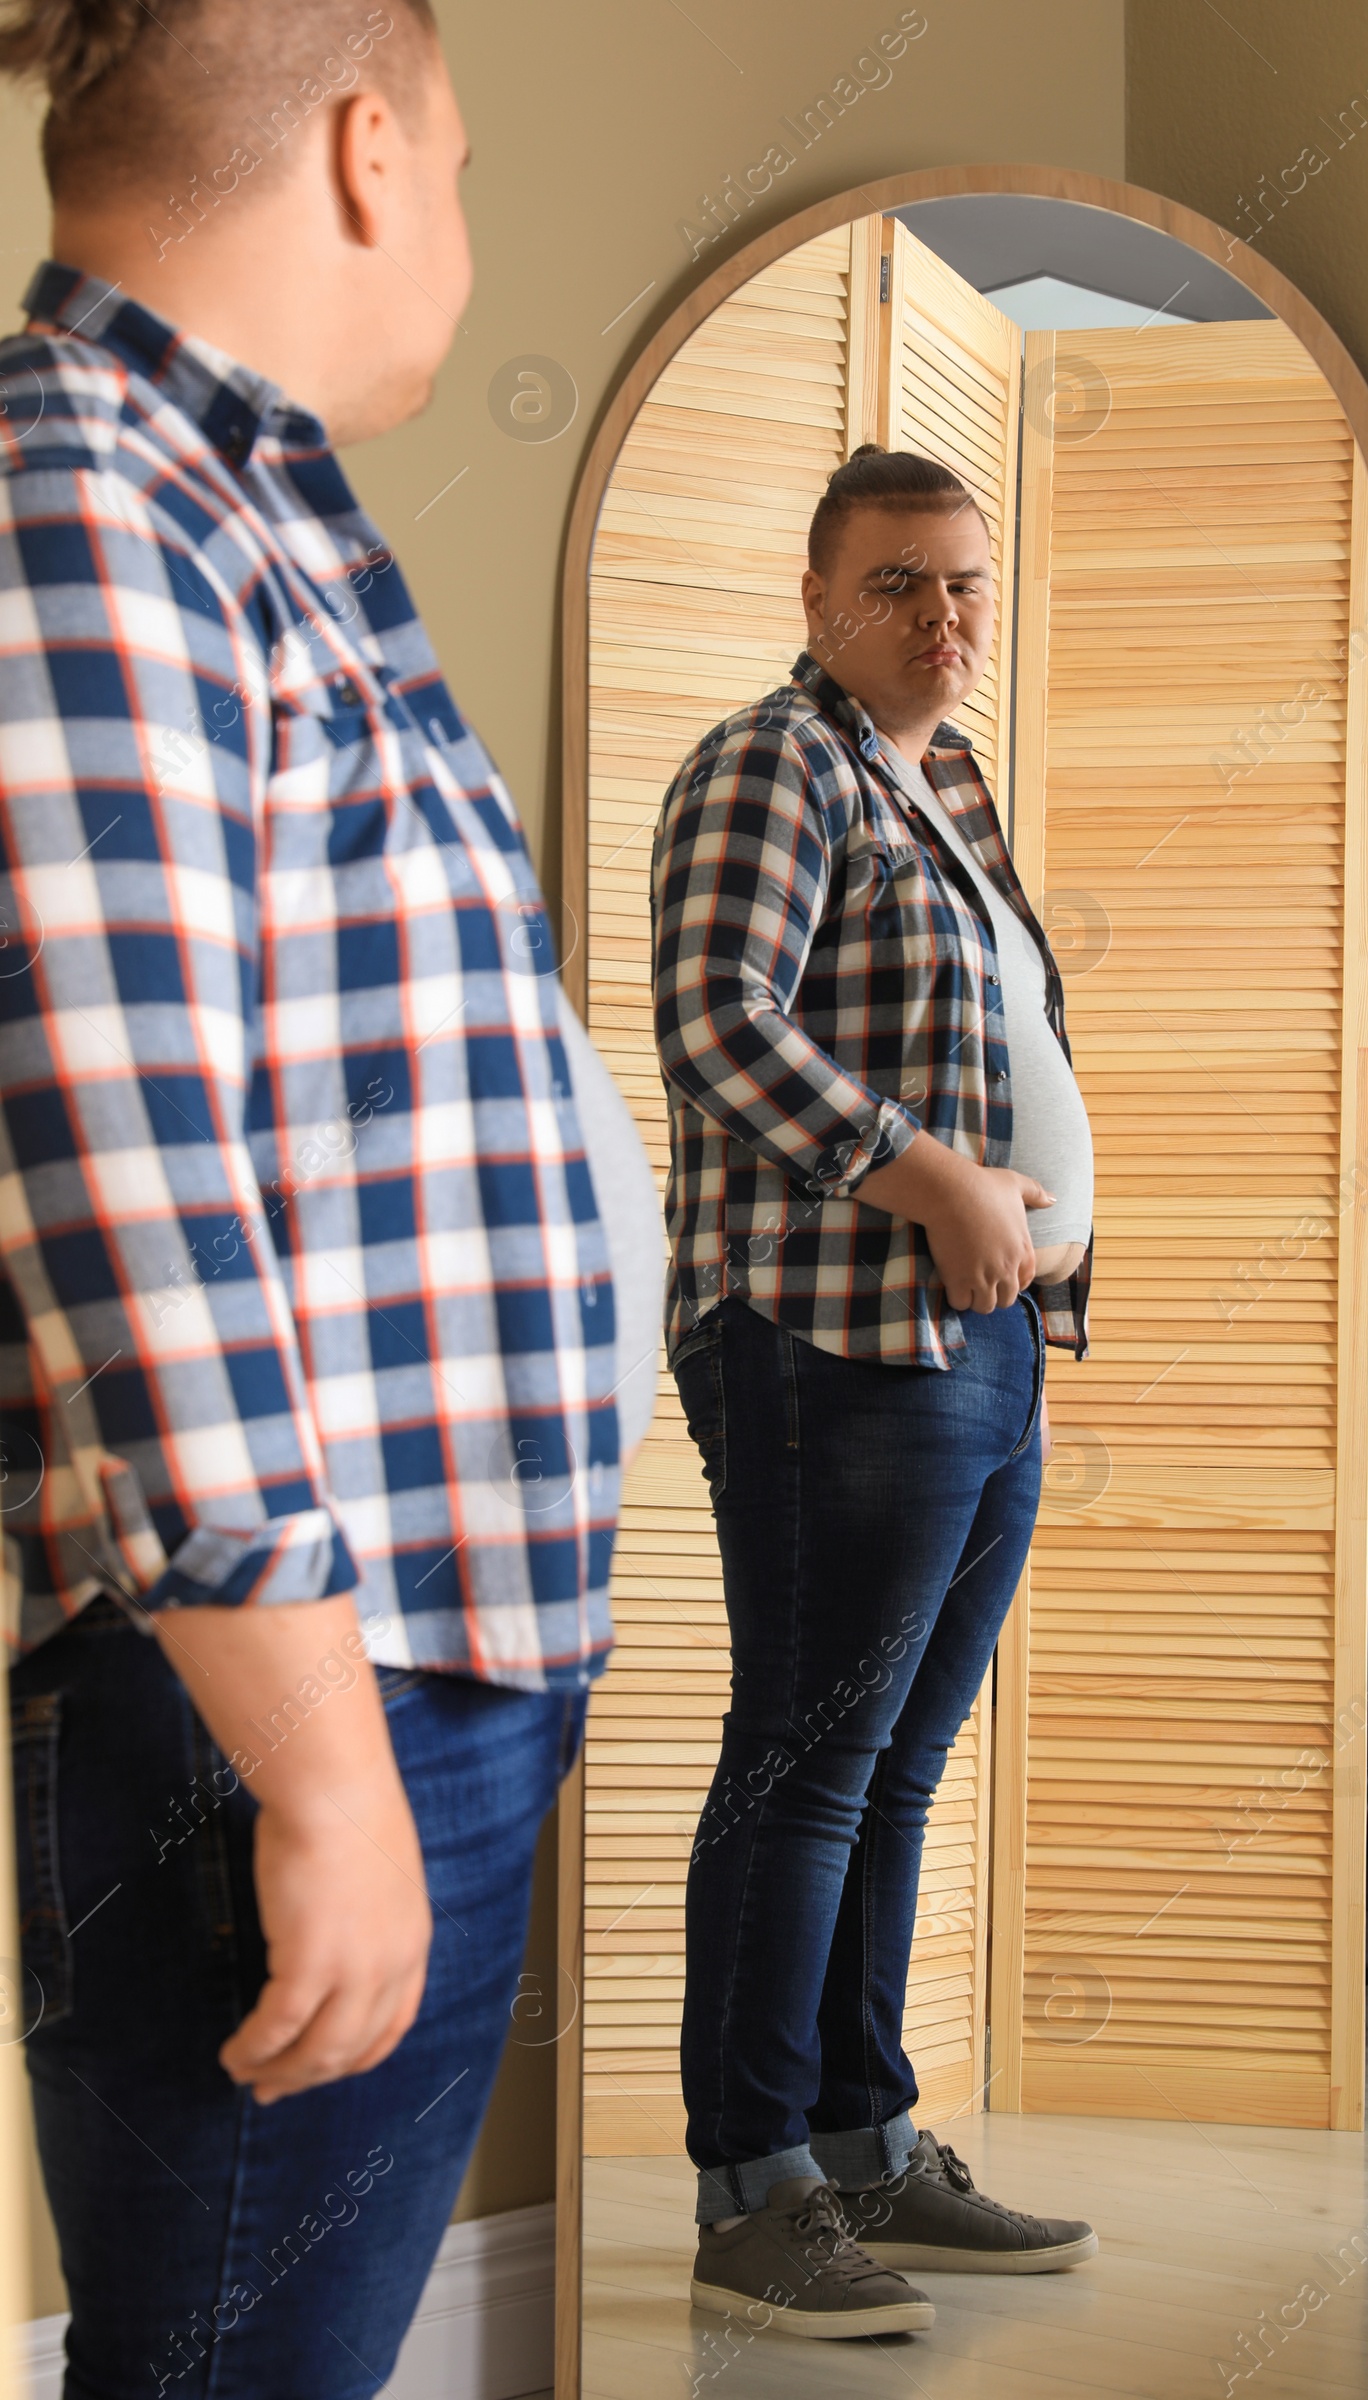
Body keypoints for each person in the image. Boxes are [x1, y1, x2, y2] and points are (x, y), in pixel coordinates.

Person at [0, 4, 660, 2393]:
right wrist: (318, 1771)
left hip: (400, 1664)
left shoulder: (229, 501)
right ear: (371, 152)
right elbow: (117, 1165)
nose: (460, 237)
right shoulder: (80, 488)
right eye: (466, 170)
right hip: (292, 1692)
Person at [651, 442, 1099, 2338]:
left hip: (981, 1343)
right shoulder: (778, 760)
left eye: (967, 582)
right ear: (822, 600)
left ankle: (861, 2142)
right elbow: (714, 1022)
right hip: (833, 1337)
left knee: (898, 1770)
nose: (944, 614)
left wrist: (1025, 1232)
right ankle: (753, 2192)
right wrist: (936, 1178)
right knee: (809, 1761)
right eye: (902, 581)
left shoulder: (949, 793)